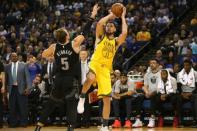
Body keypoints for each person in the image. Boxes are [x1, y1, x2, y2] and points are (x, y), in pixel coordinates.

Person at [35, 4, 99, 131]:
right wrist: (92, 16)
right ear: (67, 36)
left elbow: (42, 54)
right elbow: (85, 32)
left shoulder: (54, 47)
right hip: (70, 80)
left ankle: (38, 126)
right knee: (71, 105)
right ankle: (70, 128)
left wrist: (51, 58)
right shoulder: (74, 44)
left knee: (51, 103)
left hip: (58, 79)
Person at [77, 6, 128, 131]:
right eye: (108, 25)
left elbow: (125, 33)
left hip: (106, 70)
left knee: (106, 99)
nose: (109, 27)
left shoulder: (116, 42)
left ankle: (104, 125)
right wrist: (111, 15)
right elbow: (100, 23)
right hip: (95, 63)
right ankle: (82, 97)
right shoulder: (100, 36)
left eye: (111, 26)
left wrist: (122, 17)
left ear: (115, 29)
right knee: (90, 77)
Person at [5, 52, 32, 127]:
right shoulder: (7, 66)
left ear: (18, 57)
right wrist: (5, 89)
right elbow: (6, 79)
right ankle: (13, 123)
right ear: (10, 58)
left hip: (22, 89)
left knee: (23, 107)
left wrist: (28, 88)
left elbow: (28, 77)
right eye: (13, 56)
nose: (14, 57)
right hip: (11, 89)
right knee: (12, 107)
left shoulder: (24, 65)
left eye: (16, 56)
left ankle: (23, 123)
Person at [177, 59, 197, 127]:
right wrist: (182, 93)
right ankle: (180, 121)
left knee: (195, 98)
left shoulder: (195, 73)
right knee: (178, 98)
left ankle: (195, 121)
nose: (185, 67)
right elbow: (178, 87)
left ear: (191, 66)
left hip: (192, 93)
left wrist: (191, 93)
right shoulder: (180, 74)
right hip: (183, 93)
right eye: (184, 65)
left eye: (187, 65)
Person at [0, 60, 5, 128]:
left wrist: (3, 86)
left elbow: (3, 74)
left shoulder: (0, 63)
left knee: (0, 105)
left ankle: (0, 123)